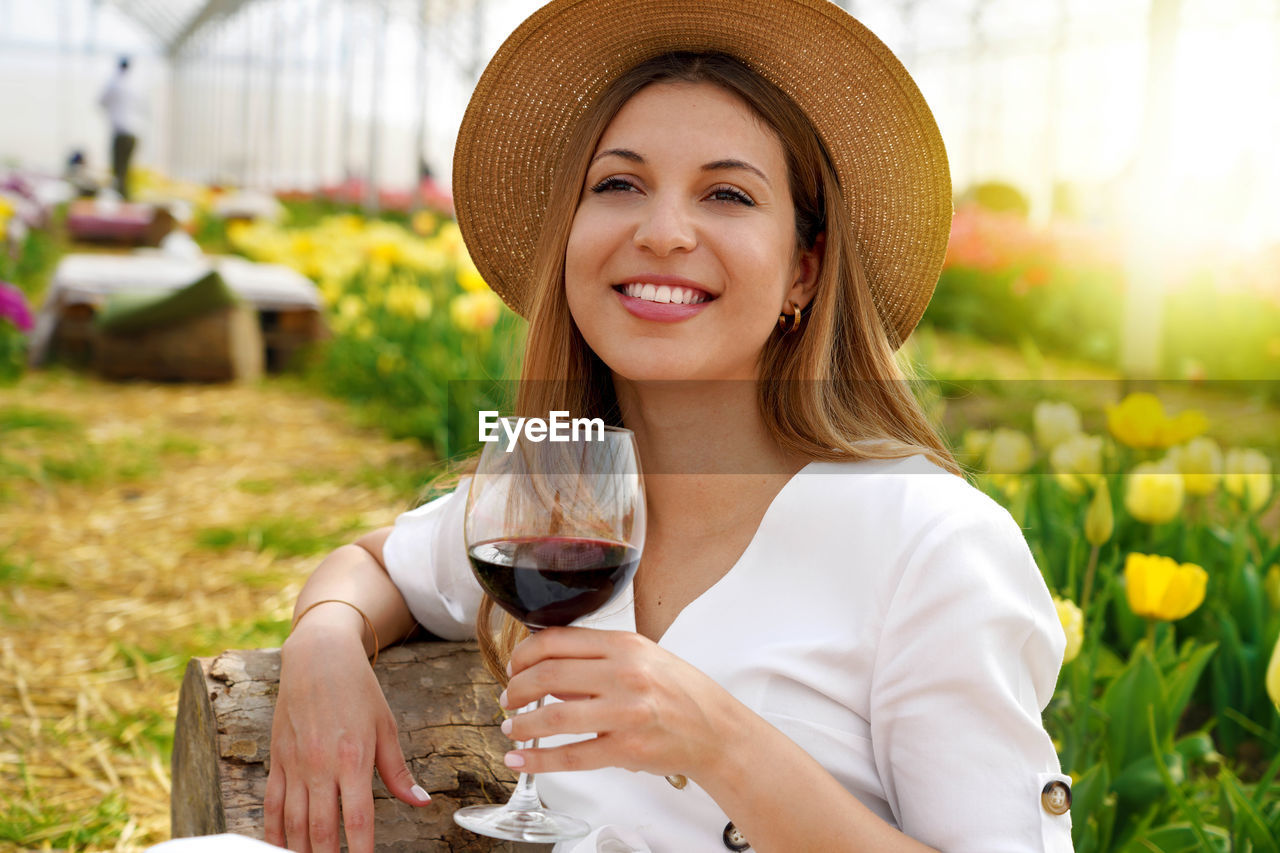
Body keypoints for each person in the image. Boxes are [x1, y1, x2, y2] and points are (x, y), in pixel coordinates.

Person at [256, 2, 1073, 852]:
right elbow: (371, 564)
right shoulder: (556, 501)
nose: (662, 232)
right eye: (618, 184)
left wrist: (717, 738)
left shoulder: (927, 542)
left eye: (726, 194)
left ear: (805, 268)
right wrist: (324, 642)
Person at [98, 56, 144, 200]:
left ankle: (121, 200)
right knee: (125, 170)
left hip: (121, 132)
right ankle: (125, 198)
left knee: (118, 171)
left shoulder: (114, 82)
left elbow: (101, 101)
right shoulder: (135, 84)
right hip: (134, 133)